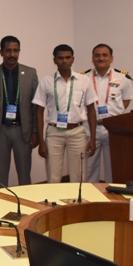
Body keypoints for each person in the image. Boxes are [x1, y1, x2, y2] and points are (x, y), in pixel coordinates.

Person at [32, 44, 97, 183]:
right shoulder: (46, 82)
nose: (64, 61)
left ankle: (78, 198)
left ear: (73, 59)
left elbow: (91, 110)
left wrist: (92, 138)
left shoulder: (84, 81)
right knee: (53, 176)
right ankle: (54, 198)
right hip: (54, 133)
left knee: (79, 176)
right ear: (54, 60)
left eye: (68, 57)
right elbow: (39, 112)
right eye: (60, 58)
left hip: (77, 132)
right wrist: (41, 141)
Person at [82, 44, 133, 182]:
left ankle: (112, 193)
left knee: (113, 166)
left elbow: (126, 99)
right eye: (97, 55)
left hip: (113, 129)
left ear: (111, 58)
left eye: (105, 55)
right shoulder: (83, 79)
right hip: (90, 128)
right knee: (89, 168)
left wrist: (115, 116)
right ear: (92, 58)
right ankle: (90, 193)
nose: (101, 58)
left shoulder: (123, 78)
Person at [0, 36, 39, 186]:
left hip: (22, 130)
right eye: (8, 51)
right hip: (1, 131)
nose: (12, 54)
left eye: (15, 51)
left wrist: (35, 131)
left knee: (24, 174)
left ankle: (26, 200)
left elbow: (35, 106)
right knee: (0, 175)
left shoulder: (30, 73)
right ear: (1, 52)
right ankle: (1, 199)